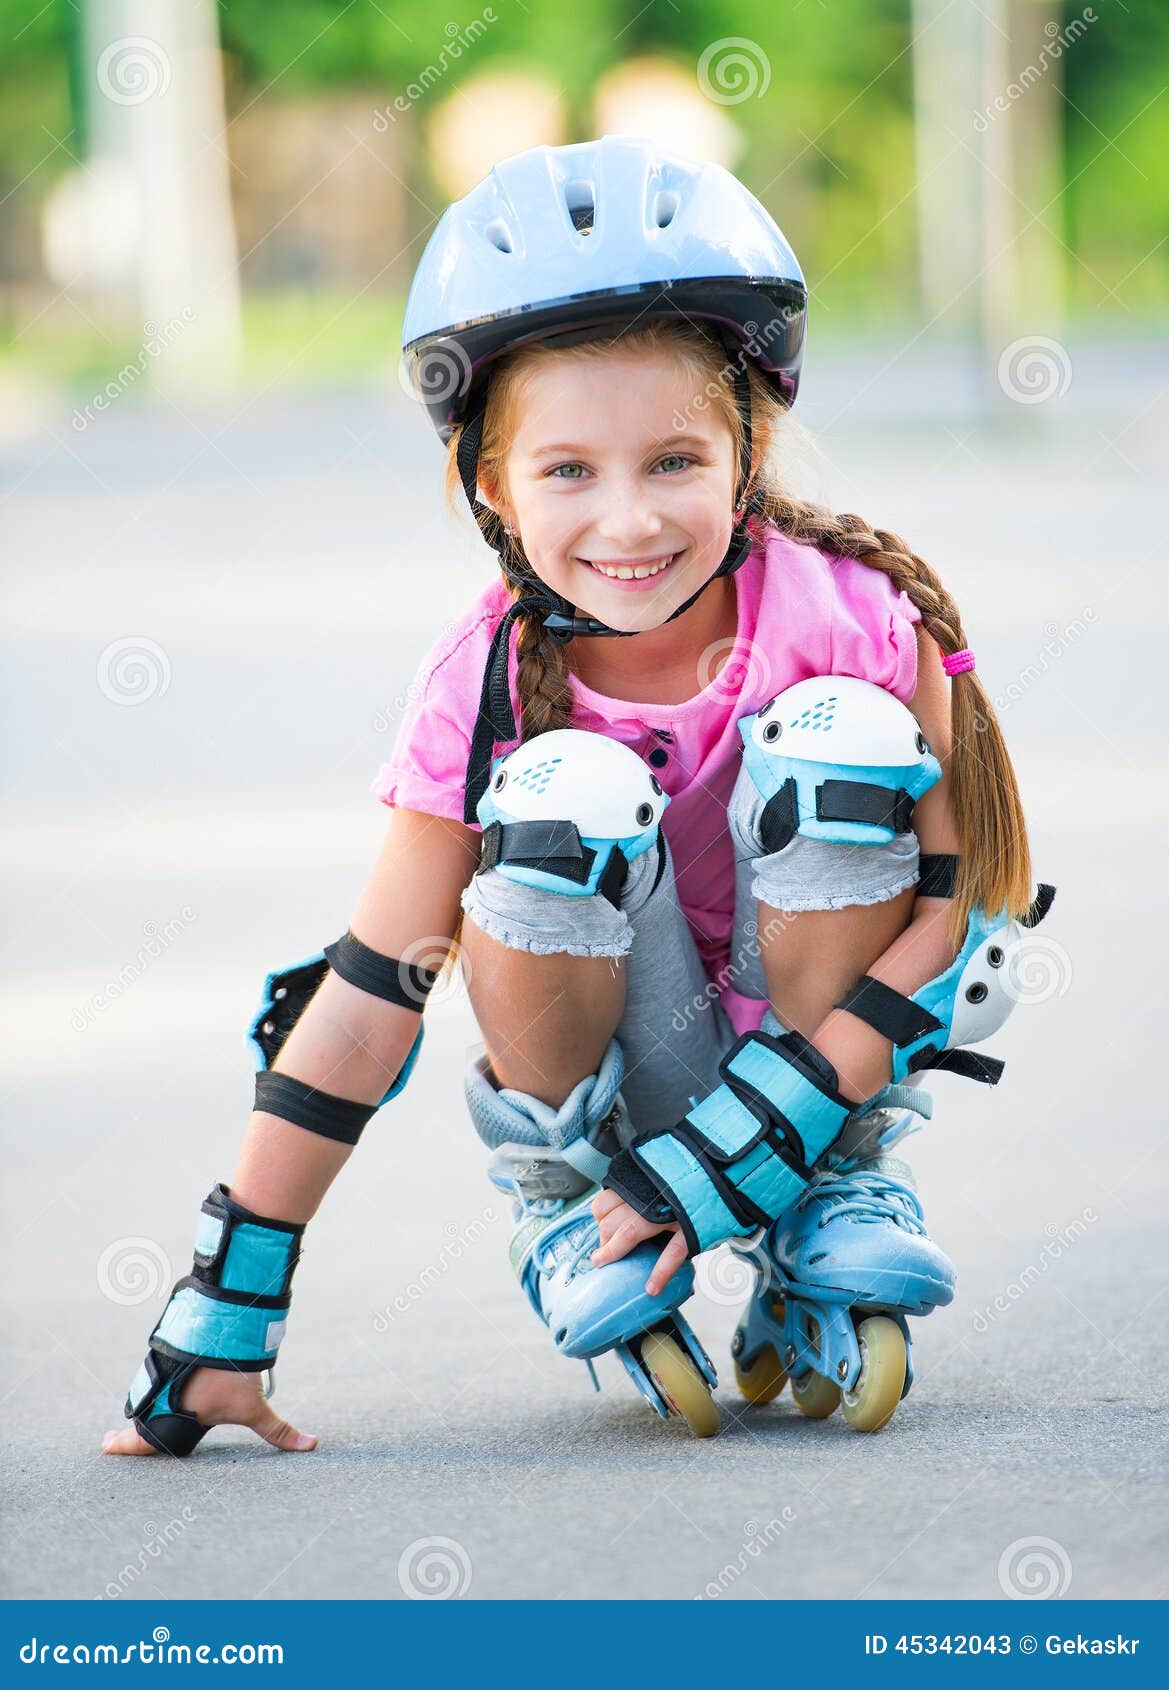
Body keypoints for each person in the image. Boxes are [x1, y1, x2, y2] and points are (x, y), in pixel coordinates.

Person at [105, 135, 1044, 1457]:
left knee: (842, 740)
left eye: (673, 462)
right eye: (566, 471)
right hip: (599, 1074)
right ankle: (565, 1199)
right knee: (564, 792)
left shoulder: (858, 620)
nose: (628, 521)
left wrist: (754, 1143)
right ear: (488, 485)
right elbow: (372, 993)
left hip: (827, 1048)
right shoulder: (475, 683)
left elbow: (945, 928)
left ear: (749, 448)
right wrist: (227, 1298)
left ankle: (831, 1185)